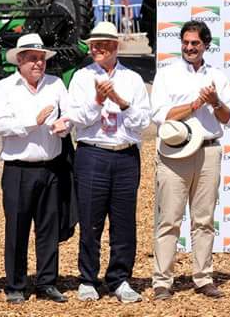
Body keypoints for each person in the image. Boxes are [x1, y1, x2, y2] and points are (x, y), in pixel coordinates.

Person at [150, 20, 230, 300]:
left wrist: (215, 102)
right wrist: (194, 105)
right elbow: (160, 115)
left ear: (206, 45)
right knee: (169, 219)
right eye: (186, 42)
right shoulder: (167, 74)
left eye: (195, 43)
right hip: (174, 152)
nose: (189, 47)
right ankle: (162, 280)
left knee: (204, 220)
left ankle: (203, 277)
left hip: (208, 150)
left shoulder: (218, 76)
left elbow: (229, 118)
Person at [68, 21, 151, 303]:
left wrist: (119, 101)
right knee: (90, 220)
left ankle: (120, 278)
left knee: (124, 221)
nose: (95, 49)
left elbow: (143, 122)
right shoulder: (81, 77)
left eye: (101, 45)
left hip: (126, 154)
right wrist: (97, 100)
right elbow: (77, 119)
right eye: (93, 45)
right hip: (93, 152)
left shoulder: (133, 79)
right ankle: (87, 278)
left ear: (115, 47)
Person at [0, 33, 71, 304]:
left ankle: (47, 282)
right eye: (32, 59)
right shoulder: (5, 87)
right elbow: (0, 125)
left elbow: (68, 114)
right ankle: (15, 285)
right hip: (18, 168)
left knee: (49, 228)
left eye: (42, 59)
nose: (38, 63)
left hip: (51, 167)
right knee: (17, 228)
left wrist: (64, 126)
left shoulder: (56, 84)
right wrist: (33, 121)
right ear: (19, 60)